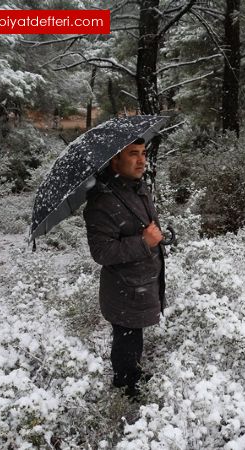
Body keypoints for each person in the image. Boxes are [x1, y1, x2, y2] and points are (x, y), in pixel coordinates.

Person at [83, 137, 166, 401]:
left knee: (134, 335)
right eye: (133, 154)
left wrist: (158, 236)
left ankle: (132, 375)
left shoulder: (136, 188)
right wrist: (144, 242)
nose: (142, 160)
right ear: (114, 161)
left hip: (140, 281)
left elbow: (145, 226)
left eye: (143, 153)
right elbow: (102, 252)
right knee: (126, 338)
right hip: (124, 288)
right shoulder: (102, 202)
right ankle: (126, 387)